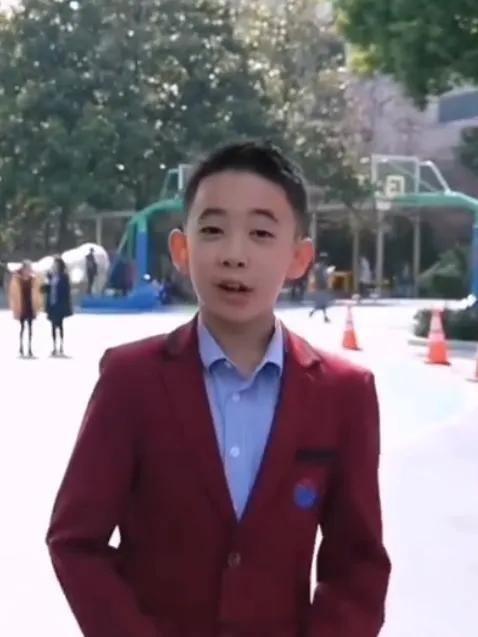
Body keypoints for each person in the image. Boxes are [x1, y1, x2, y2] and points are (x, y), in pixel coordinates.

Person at [47, 141, 390, 637]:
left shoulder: (344, 392)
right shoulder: (130, 379)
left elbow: (358, 563)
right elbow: (76, 540)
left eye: (261, 233)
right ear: (182, 250)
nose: (234, 255)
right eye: (212, 230)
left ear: (299, 258)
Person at [8, 259, 42, 357]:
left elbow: (38, 290)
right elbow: (13, 293)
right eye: (27, 268)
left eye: (29, 268)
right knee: (22, 328)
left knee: (30, 328)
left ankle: (30, 348)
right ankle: (21, 347)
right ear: (23, 268)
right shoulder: (17, 279)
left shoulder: (33, 278)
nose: (28, 270)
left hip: (30, 306)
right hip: (22, 306)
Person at [44, 256, 73, 357]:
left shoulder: (64, 276)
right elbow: (45, 289)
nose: (55, 266)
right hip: (51, 305)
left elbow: (66, 291)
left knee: (60, 326)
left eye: (56, 264)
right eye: (54, 264)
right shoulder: (50, 276)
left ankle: (61, 346)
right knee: (52, 326)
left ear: (60, 265)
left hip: (59, 304)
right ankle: (54, 346)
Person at [309, 252, 332, 322]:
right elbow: (325, 276)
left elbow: (313, 275)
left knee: (320, 303)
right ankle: (323, 316)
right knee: (322, 303)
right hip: (323, 286)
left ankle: (319, 314)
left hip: (317, 286)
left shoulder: (316, 266)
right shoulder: (324, 267)